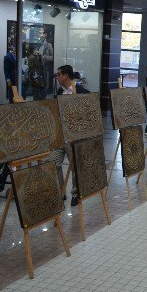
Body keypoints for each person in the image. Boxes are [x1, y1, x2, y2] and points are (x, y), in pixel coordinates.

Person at [47, 65, 89, 206]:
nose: (57, 77)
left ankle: (76, 194)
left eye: (58, 74)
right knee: (53, 163)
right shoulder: (59, 92)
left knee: (75, 167)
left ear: (66, 76)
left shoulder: (82, 92)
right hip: (60, 135)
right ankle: (61, 192)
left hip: (74, 136)